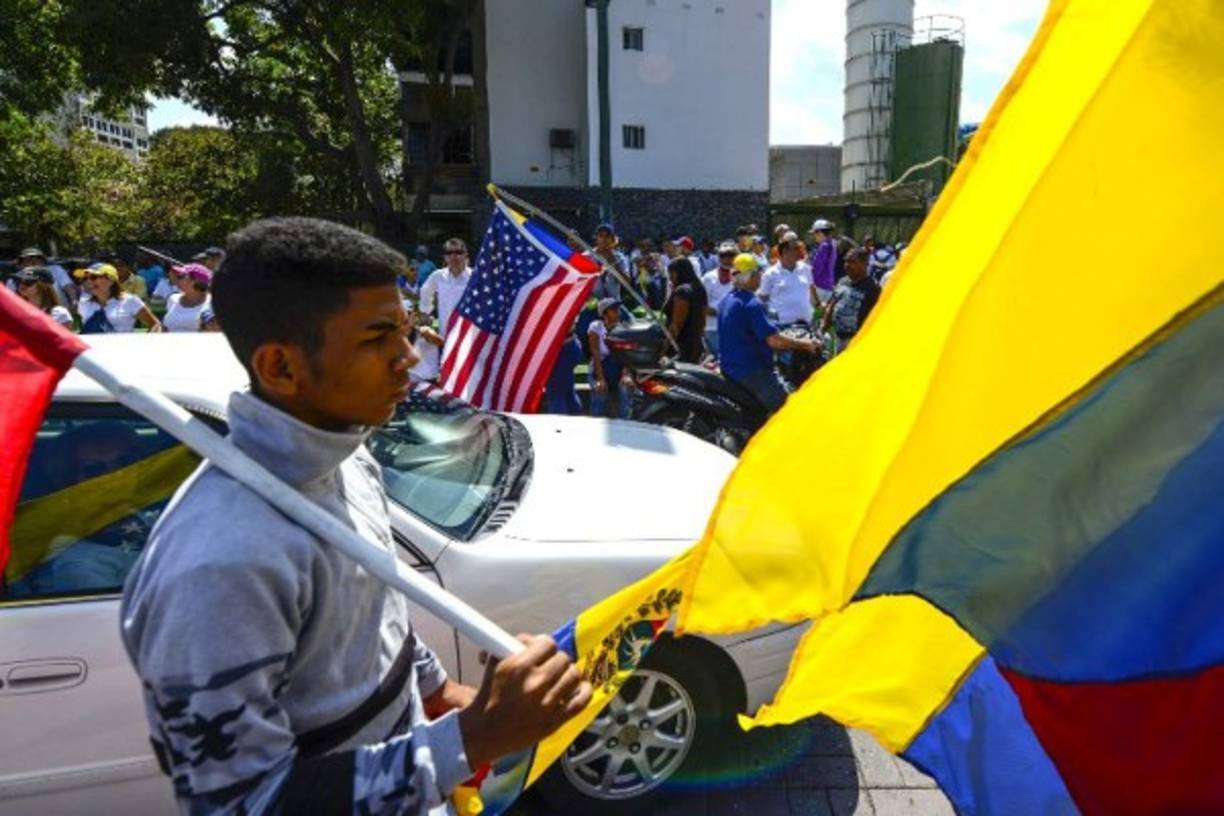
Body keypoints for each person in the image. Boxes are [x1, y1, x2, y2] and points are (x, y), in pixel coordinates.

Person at [120, 216, 592, 815]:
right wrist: (475, 738)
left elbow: (375, 617)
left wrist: (447, 694)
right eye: (376, 340)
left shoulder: (350, 455)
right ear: (281, 368)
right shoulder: (219, 566)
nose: (409, 359)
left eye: (406, 330)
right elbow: (242, 803)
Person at [717, 254, 818, 414]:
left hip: (730, 368)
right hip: (751, 371)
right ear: (751, 276)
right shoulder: (752, 303)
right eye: (758, 272)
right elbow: (774, 341)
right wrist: (806, 344)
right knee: (788, 410)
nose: (761, 276)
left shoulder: (726, 301)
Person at [821, 247, 882, 355]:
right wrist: (823, 328)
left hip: (858, 342)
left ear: (864, 264)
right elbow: (832, 305)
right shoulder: (842, 281)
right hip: (839, 339)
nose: (847, 265)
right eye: (846, 261)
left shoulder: (873, 288)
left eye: (852, 262)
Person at [78, 264, 161, 334]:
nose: (88, 281)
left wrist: (143, 345)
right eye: (85, 278)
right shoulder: (83, 303)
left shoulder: (130, 301)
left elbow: (155, 324)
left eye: (93, 277)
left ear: (111, 280)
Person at [587, 297, 633, 419]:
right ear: (604, 313)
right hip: (598, 370)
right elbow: (595, 353)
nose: (618, 312)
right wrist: (600, 379)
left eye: (618, 309)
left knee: (626, 388)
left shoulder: (623, 328)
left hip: (618, 369)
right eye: (613, 309)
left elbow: (626, 355)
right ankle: (595, 423)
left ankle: (624, 424)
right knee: (600, 391)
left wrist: (625, 375)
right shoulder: (595, 327)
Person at [759, 234, 817, 325]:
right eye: (796, 248)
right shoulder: (770, 274)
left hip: (806, 323)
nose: (800, 251)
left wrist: (817, 308)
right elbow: (762, 299)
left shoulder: (806, 269)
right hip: (781, 325)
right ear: (785, 251)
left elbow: (811, 291)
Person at [418, 237, 472, 335]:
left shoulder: (474, 277)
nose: (453, 256)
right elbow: (424, 291)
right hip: (445, 335)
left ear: (465, 254)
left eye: (458, 252)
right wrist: (425, 312)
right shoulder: (438, 276)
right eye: (449, 253)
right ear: (444, 257)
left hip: (468, 337)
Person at [663, 256, 709, 364]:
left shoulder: (682, 292)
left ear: (679, 272)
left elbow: (676, 326)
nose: (670, 278)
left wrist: (663, 350)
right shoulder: (699, 288)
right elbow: (703, 319)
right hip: (695, 345)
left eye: (671, 274)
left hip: (680, 346)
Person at [700, 242, 737, 359]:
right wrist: (720, 312)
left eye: (730, 255)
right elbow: (700, 304)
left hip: (736, 327)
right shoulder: (708, 277)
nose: (726, 259)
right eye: (722, 255)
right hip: (714, 328)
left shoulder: (742, 277)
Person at [543, 326, 583, 415]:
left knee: (558, 399)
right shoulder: (576, 344)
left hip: (558, 376)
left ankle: (559, 425)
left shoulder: (573, 345)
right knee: (570, 398)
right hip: (566, 376)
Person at [162, 263, 212, 332]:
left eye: (180, 276)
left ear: (194, 281)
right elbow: (165, 328)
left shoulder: (213, 303)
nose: (176, 279)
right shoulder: (172, 299)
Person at [588, 223, 628, 301]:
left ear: (613, 239)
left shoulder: (619, 258)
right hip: (593, 302)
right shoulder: (587, 257)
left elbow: (626, 282)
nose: (604, 239)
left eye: (607, 236)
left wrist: (613, 261)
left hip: (613, 302)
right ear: (596, 238)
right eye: (601, 236)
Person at [408, 307, 445, 383]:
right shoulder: (399, 335)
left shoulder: (425, 331)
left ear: (414, 316)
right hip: (411, 380)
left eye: (408, 314)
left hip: (428, 382)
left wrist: (430, 335)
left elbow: (441, 343)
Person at [808, 219, 838, 303]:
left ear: (820, 233)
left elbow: (816, 268)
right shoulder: (832, 243)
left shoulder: (824, 246)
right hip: (828, 286)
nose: (814, 236)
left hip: (819, 287)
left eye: (815, 233)